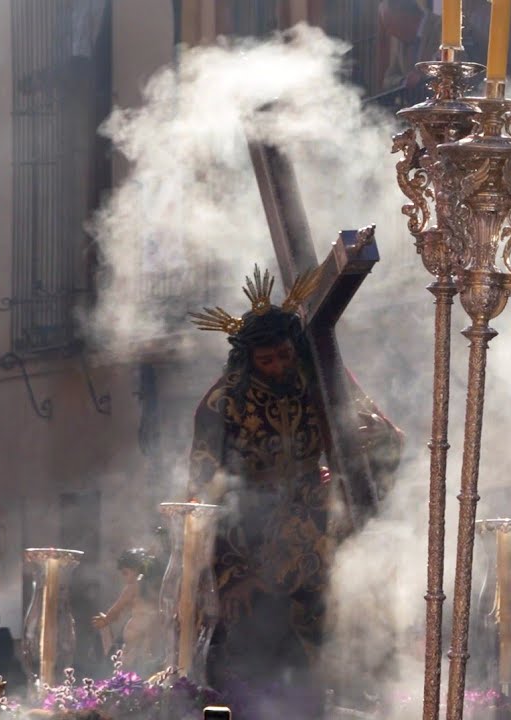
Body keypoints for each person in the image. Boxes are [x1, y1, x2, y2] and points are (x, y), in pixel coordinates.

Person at [185, 266, 403, 712]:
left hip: (318, 533)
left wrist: (363, 437)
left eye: (284, 355)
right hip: (250, 542)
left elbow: (385, 437)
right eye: (267, 361)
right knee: (250, 659)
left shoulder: (320, 376)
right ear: (248, 361)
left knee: (330, 651)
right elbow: (206, 494)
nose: (279, 367)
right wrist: (230, 574)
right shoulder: (220, 405)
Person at [91, 549, 166, 676]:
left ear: (136, 569)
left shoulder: (133, 587)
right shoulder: (158, 588)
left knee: (129, 664)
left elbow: (117, 609)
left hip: (137, 631)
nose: (125, 579)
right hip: (155, 631)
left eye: (126, 573)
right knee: (148, 663)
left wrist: (106, 619)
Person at [379, 0, 441, 90]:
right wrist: (404, 81)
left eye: (389, 25)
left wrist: (422, 77)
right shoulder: (401, 41)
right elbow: (388, 80)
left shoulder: (441, 28)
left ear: (404, 16)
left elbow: (449, 65)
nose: (389, 33)